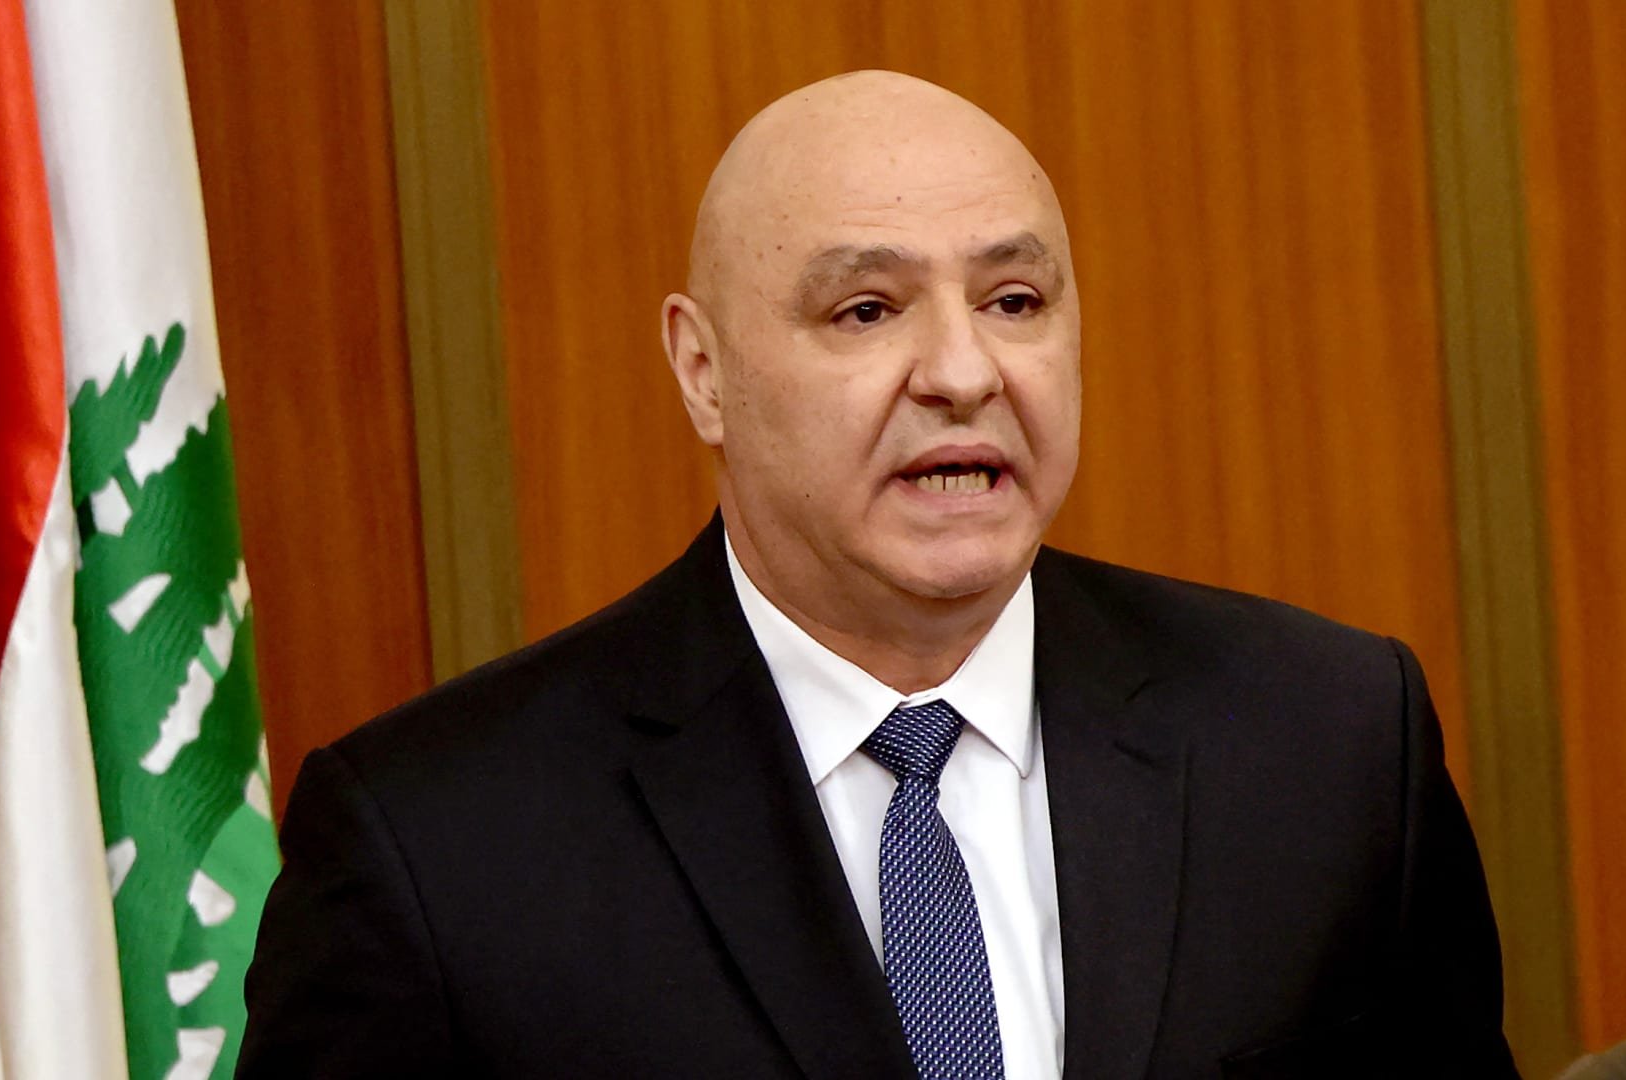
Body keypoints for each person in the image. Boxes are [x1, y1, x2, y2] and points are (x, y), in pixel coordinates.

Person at [240, 70, 1518, 1078]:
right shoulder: (440, 848)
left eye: (1014, 301)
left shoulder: (1327, 746)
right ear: (702, 371)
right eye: (867, 311)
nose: (963, 373)